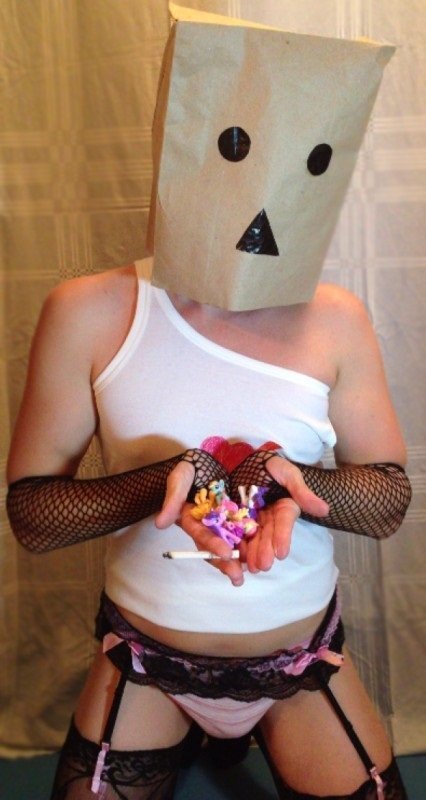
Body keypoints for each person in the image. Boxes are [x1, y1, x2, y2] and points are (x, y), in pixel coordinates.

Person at [6, 12, 412, 800]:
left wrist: (279, 479)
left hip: (303, 664)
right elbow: (34, 515)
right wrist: (172, 479)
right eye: (233, 148)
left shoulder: (336, 319)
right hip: (144, 663)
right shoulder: (88, 311)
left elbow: (388, 498)